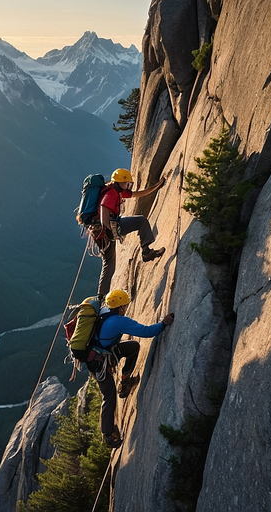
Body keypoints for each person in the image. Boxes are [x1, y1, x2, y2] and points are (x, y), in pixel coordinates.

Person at [85, 289, 174, 449]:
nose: (126, 307)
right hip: (99, 362)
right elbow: (147, 332)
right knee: (109, 395)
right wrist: (164, 323)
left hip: (100, 353)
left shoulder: (104, 310)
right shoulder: (118, 321)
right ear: (119, 307)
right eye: (125, 305)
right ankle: (107, 434)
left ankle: (124, 380)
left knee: (132, 346)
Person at [93, 168, 166, 298]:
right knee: (141, 221)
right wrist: (107, 229)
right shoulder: (112, 193)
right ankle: (146, 252)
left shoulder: (118, 190)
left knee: (109, 263)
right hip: (105, 231)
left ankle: (100, 297)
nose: (128, 185)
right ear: (120, 182)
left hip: (102, 231)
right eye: (126, 183)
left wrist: (156, 186)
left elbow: (136, 194)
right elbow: (104, 206)